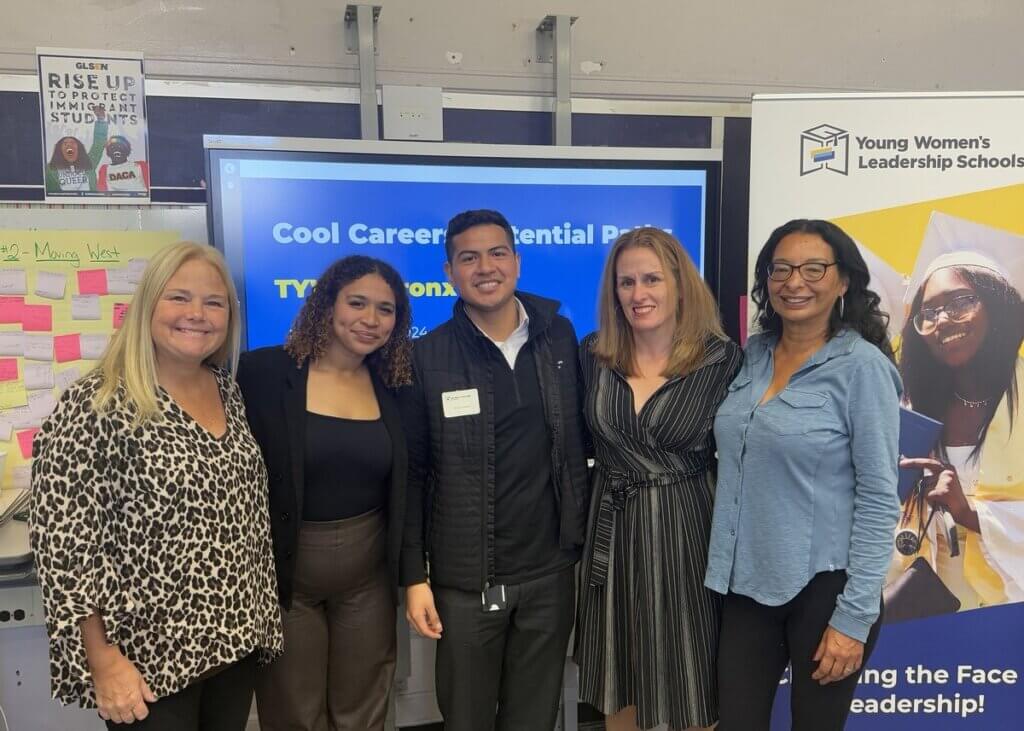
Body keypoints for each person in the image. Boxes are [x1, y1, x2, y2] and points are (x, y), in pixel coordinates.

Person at [29, 242, 282, 729]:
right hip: (147, 662)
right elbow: (65, 549)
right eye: (179, 298)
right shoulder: (98, 402)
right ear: (147, 306)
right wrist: (103, 662)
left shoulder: (227, 389)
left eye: (214, 302)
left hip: (233, 643)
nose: (197, 314)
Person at [706, 219, 901, 731]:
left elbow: (881, 500)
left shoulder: (863, 368)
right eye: (782, 269)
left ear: (843, 281)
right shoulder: (751, 355)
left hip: (825, 588)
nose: (796, 282)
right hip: (744, 585)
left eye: (814, 268)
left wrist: (854, 617)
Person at [400, 209, 591, 731]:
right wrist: (414, 577)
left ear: (517, 262)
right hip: (466, 581)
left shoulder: (559, 339)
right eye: (469, 257)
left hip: (550, 572)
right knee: (466, 719)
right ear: (449, 272)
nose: (486, 267)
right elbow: (413, 475)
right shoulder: (426, 356)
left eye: (497, 252)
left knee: (534, 718)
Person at [574, 227, 741, 731]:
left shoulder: (722, 359)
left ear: (679, 283)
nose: (638, 294)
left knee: (691, 678)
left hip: (689, 532)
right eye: (626, 283)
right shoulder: (593, 354)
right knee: (618, 677)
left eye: (652, 279)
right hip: (613, 530)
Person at [237, 255, 413, 731]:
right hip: (284, 580)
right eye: (357, 303)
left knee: (363, 709)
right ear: (326, 305)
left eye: (385, 309)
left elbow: (408, 484)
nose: (370, 320)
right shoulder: (263, 373)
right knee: (293, 712)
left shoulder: (395, 385)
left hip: (368, 577)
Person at [895, 251, 1024, 608]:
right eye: (928, 313)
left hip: (1009, 609)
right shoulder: (911, 408)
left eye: (960, 303)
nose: (942, 321)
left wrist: (971, 515)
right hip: (935, 605)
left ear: (997, 305)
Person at [45, 103, 108, 193]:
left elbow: (99, 143)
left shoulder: (89, 163)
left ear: (79, 149)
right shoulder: (50, 169)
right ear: (59, 150)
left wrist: (101, 119)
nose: (69, 145)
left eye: (73, 143)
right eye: (65, 144)